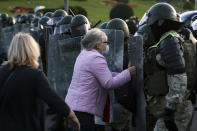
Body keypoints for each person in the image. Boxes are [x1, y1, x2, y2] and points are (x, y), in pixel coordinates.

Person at [0, 32, 80, 131]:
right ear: (32, 50)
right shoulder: (34, 75)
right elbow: (53, 99)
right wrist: (71, 114)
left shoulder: (2, 71)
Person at [65, 28, 136, 131]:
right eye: (105, 42)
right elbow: (108, 83)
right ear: (97, 44)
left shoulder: (84, 54)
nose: (107, 45)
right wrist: (129, 73)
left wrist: (123, 73)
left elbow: (104, 75)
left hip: (73, 106)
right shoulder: (96, 58)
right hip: (82, 111)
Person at [140, 3, 193, 131]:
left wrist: (170, 109)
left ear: (160, 22)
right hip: (174, 106)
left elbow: (178, 76)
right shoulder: (167, 39)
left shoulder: (169, 41)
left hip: (176, 109)